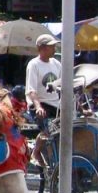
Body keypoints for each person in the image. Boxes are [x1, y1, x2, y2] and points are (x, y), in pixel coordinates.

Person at [26, 33, 62, 166]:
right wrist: (38, 106)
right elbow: (31, 90)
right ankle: (36, 152)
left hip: (55, 104)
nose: (54, 49)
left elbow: (63, 84)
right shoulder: (34, 64)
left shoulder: (57, 64)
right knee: (47, 130)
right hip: (39, 104)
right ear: (42, 48)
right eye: (52, 46)